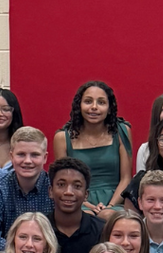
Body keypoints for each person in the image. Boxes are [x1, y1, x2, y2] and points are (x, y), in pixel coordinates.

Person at [52, 80, 132, 218]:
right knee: (85, 217)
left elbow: (126, 178)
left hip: (116, 200)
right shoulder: (62, 138)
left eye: (101, 102)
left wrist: (110, 207)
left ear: (109, 108)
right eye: (88, 101)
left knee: (108, 216)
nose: (94, 107)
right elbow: (63, 181)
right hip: (77, 200)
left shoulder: (122, 131)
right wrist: (88, 205)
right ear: (79, 106)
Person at [0, 126, 55, 249]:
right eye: (21, 154)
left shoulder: (54, 189)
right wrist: (18, 251)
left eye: (34, 155)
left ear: (45, 158)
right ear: (11, 157)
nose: (27, 161)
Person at [46, 157, 103, 253]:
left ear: (86, 194)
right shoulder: (40, 230)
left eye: (77, 186)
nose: (68, 192)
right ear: (50, 191)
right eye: (61, 184)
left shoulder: (101, 230)